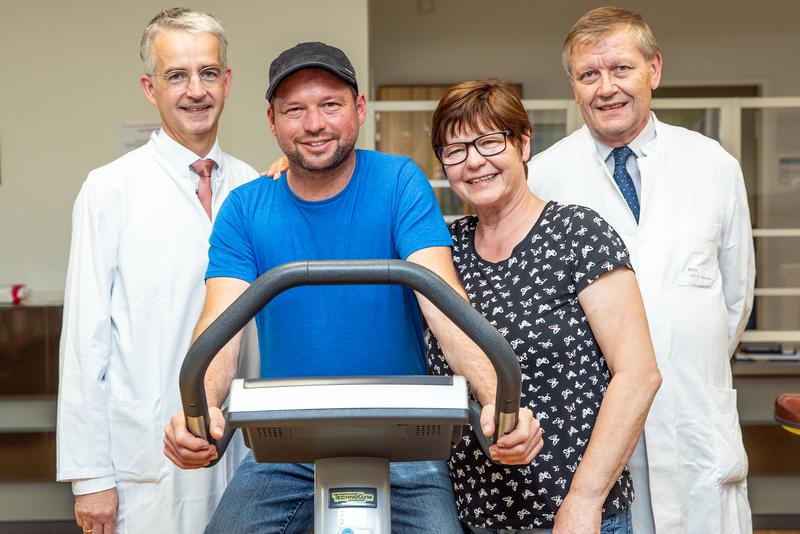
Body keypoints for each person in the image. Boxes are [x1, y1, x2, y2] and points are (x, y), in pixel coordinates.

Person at [162, 42, 541, 533]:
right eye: (295, 110)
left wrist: (500, 406)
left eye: (330, 105)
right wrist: (200, 413)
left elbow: (445, 306)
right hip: (286, 447)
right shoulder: (245, 208)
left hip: (405, 441)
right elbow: (219, 327)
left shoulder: (399, 182)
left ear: (359, 110)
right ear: (272, 120)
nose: (314, 124)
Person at [529, 6, 755, 533]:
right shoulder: (544, 178)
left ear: (654, 69)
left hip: (695, 425)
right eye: (589, 74)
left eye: (621, 69)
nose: (606, 88)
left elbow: (735, 300)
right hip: (595, 443)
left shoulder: (713, 165)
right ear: (574, 85)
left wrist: (678, 364)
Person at [426, 79, 661, 533]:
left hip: (575, 515)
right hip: (473, 517)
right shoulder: (443, 250)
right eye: (455, 151)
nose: (474, 161)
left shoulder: (578, 234)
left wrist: (584, 501)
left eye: (489, 142)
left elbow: (639, 374)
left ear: (523, 143)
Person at [56, 8, 258, 534]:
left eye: (208, 72)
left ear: (228, 80)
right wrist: (90, 478)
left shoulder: (253, 184)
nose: (196, 90)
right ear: (150, 87)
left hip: (242, 454)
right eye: (177, 75)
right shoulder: (110, 189)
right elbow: (84, 341)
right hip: (143, 465)